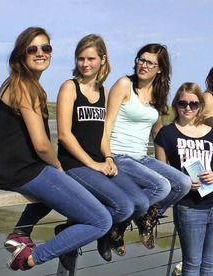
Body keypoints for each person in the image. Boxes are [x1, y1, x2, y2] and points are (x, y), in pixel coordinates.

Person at [0, 27, 111, 271]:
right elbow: (41, 144)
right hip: (24, 171)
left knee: (62, 190)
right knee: (101, 221)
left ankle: (20, 234)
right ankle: (29, 258)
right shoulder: (25, 87)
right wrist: (57, 166)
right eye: (32, 49)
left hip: (12, 169)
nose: (40, 53)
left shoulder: (19, 83)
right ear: (21, 55)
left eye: (45, 48)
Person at [56, 34, 144, 264]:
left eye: (91, 59)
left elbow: (103, 134)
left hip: (98, 161)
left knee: (138, 201)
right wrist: (92, 163)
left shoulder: (103, 91)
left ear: (103, 60)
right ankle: (78, 237)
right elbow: (65, 135)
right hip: (74, 164)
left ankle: (77, 231)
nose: (85, 64)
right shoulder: (69, 88)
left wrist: (108, 157)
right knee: (123, 206)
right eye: (80, 58)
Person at [104, 43, 191, 250]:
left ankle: (143, 218)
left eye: (150, 62)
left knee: (182, 183)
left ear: (160, 68)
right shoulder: (124, 84)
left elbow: (157, 133)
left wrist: (166, 165)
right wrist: (106, 157)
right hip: (119, 155)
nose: (143, 65)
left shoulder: (157, 93)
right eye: (141, 60)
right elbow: (107, 123)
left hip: (141, 157)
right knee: (161, 186)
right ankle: (121, 223)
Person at [154, 82, 213, 275]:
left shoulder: (212, 134)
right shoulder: (166, 133)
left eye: (193, 104)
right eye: (183, 103)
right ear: (176, 105)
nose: (188, 108)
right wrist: (183, 182)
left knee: (210, 264)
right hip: (189, 207)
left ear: (200, 107)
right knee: (192, 263)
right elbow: (161, 174)